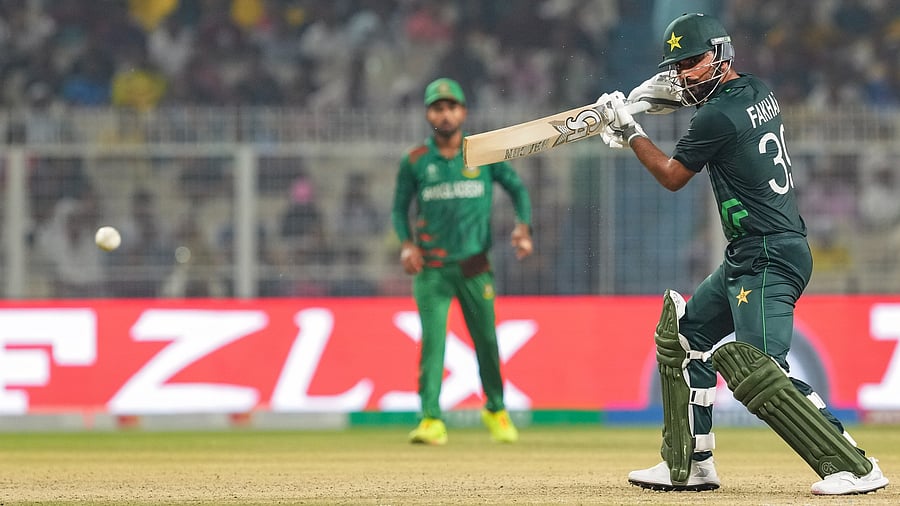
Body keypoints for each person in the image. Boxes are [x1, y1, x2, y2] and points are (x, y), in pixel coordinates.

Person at [599, 13, 889, 496]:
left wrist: (631, 128)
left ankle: (855, 467)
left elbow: (672, 176)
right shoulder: (754, 90)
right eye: (678, 65)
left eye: (693, 62)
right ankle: (690, 465)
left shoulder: (717, 116)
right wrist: (653, 100)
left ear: (721, 53)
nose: (685, 73)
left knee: (760, 367)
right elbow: (703, 100)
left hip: (770, 256)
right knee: (685, 338)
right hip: (748, 253)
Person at [391, 77, 534, 445]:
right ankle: (430, 419)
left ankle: (496, 409)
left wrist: (522, 227)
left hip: (475, 266)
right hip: (432, 269)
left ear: (463, 112)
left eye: (451, 106)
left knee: (486, 340)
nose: (445, 113)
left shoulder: (481, 152)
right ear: (428, 114)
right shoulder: (416, 161)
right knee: (433, 343)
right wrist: (406, 244)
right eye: (438, 107)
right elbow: (398, 208)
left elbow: (517, 189)